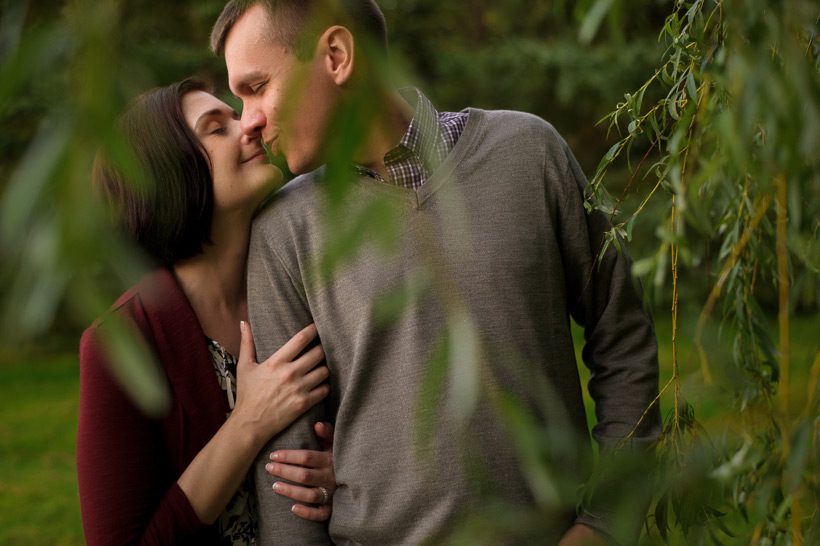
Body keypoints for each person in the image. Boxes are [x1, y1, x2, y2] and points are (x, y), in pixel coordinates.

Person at [211, 1, 662, 545]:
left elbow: (624, 341)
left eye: (256, 87)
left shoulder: (530, 155)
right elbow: (289, 478)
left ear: (335, 55)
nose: (250, 121)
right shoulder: (283, 233)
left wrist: (605, 524)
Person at [77, 79, 337, 545]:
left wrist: (343, 468)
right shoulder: (121, 343)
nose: (252, 124)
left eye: (236, 114)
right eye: (217, 129)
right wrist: (249, 422)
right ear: (168, 176)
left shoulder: (305, 286)